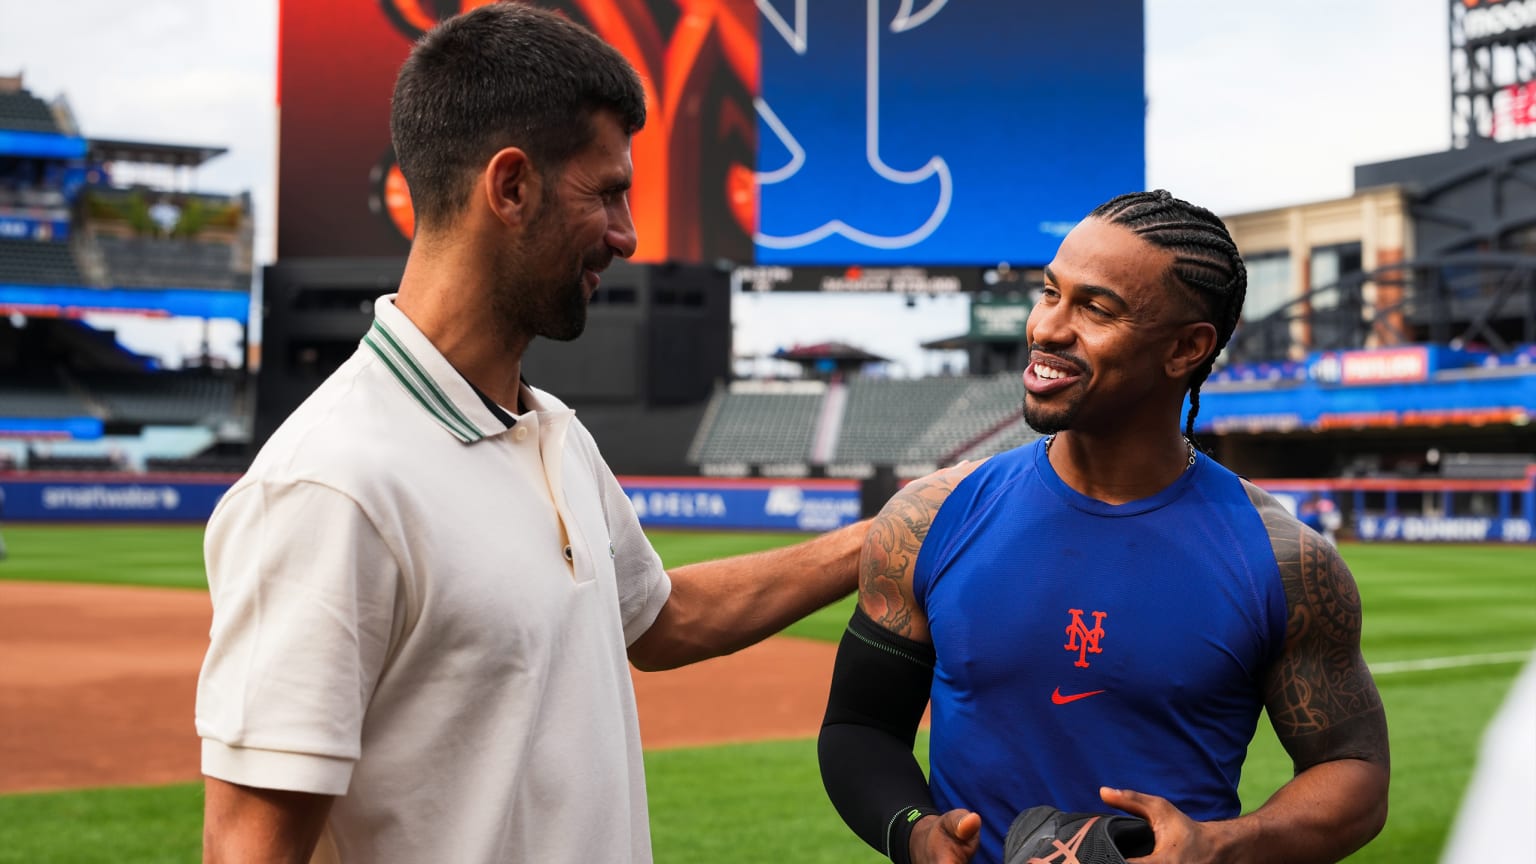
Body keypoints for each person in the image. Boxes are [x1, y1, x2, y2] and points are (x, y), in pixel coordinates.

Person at [194, 5, 868, 862]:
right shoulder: (332, 484)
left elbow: (658, 621)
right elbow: (250, 847)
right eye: (609, 192)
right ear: (510, 187)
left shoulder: (552, 431)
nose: (626, 234)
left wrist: (882, 538)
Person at [818, 190, 1390, 864]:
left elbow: (1354, 773)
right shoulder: (930, 516)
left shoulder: (1286, 561)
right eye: (1050, 292)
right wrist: (914, 831)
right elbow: (861, 727)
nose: (1048, 328)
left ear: (1186, 349)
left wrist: (1224, 846)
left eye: (1096, 308)